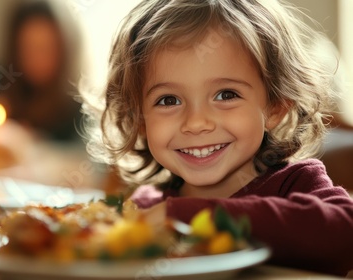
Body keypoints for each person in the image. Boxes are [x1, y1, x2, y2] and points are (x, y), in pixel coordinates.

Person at [82, 0, 353, 276]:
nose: (196, 123)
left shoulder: (296, 184)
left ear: (275, 107)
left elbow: (345, 233)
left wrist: (187, 216)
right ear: (138, 119)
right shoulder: (144, 208)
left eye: (226, 95)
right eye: (168, 100)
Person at [0, 0, 83, 144]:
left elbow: (87, 154)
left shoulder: (76, 100)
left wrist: (30, 144)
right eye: (29, 48)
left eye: (47, 49)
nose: (39, 59)